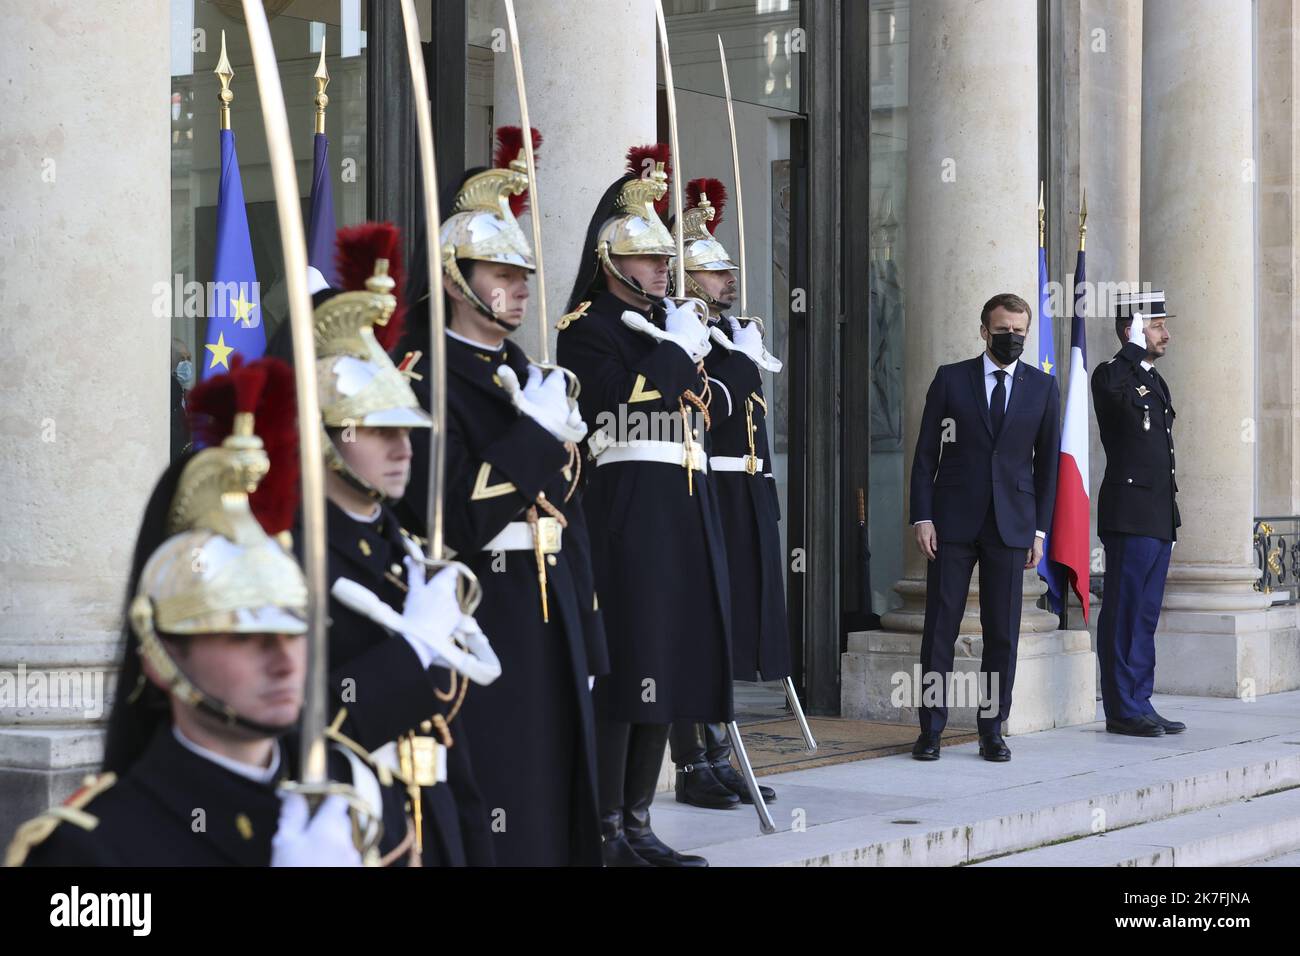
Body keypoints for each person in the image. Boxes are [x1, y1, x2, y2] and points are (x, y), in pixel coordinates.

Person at [8, 359, 413, 866]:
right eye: (245, 636)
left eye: (293, 630)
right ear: (160, 656)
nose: (285, 661)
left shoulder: (355, 798)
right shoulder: (88, 849)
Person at [391, 127, 605, 866]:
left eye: (523, 274)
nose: (518, 287)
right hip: (486, 607)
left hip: (549, 606)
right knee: (504, 788)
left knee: (556, 791)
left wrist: (588, 627)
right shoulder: (424, 379)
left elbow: (569, 510)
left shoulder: (528, 372)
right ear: (454, 277)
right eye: (499, 273)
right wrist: (538, 440)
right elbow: (447, 513)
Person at [557, 145, 749, 866]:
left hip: (684, 510)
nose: (665, 269)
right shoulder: (587, 327)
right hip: (628, 518)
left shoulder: (667, 321)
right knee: (629, 672)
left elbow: (709, 405)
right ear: (611, 260)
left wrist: (714, 347)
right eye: (649, 258)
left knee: (664, 672)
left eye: (667, 258)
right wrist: (675, 353)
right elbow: (622, 399)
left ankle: (638, 824)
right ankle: (606, 831)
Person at [304, 223, 500, 866]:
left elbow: (454, 735)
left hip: (432, 806)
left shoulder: (406, 548)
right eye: (377, 429)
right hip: (352, 826)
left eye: (407, 426)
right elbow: (305, 722)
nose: (402, 447)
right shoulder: (295, 558)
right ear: (325, 434)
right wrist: (409, 654)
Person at [666, 180, 783, 809]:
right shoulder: (687, 334)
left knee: (728, 628)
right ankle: (694, 761)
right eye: (712, 272)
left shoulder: (728, 329)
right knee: (702, 626)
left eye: (727, 270)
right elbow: (717, 401)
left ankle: (716, 753)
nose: (726, 279)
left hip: (741, 492)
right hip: (702, 487)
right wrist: (736, 355)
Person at [909, 293, 1061, 762]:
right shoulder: (951, 379)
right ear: (983, 330)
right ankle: (930, 730)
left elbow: (1048, 466)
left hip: (1011, 526)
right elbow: (924, 455)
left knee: (1002, 633)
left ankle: (992, 729)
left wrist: (1039, 532)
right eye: (1003, 330)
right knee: (940, 628)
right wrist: (923, 515)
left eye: (1019, 331)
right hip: (952, 522)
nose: (1011, 338)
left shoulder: (1043, 388)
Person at [1091, 290, 1183, 737]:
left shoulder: (1153, 380)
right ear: (1132, 329)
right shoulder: (1111, 375)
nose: (1166, 333)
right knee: (1125, 612)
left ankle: (1141, 700)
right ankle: (1121, 708)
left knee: (1145, 616)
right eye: (1156, 324)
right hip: (1128, 515)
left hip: (1157, 515)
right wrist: (1130, 347)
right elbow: (1108, 393)